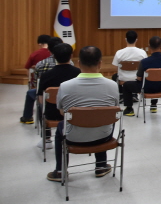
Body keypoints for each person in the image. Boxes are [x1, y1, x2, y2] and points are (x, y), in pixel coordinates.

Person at [46, 46, 119, 182]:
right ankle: (101, 165)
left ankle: (60, 171)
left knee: (62, 125)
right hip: (104, 136)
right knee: (104, 118)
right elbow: (114, 110)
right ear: (100, 63)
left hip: (73, 137)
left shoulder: (65, 86)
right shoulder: (113, 85)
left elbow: (62, 112)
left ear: (78, 63)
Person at [35, 43, 80, 149]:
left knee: (40, 107)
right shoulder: (78, 73)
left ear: (54, 56)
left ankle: (47, 139)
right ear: (71, 56)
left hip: (52, 114)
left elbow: (41, 99)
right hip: (75, 112)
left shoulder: (46, 76)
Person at [122, 36, 161, 117]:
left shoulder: (144, 62)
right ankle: (153, 106)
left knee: (126, 85)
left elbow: (139, 78)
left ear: (149, 47)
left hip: (147, 88)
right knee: (157, 80)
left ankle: (129, 109)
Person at [20, 37, 68, 124]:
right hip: (66, 97)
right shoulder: (71, 64)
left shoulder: (41, 64)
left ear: (49, 49)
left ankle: (28, 117)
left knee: (31, 93)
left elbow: (36, 83)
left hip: (46, 98)